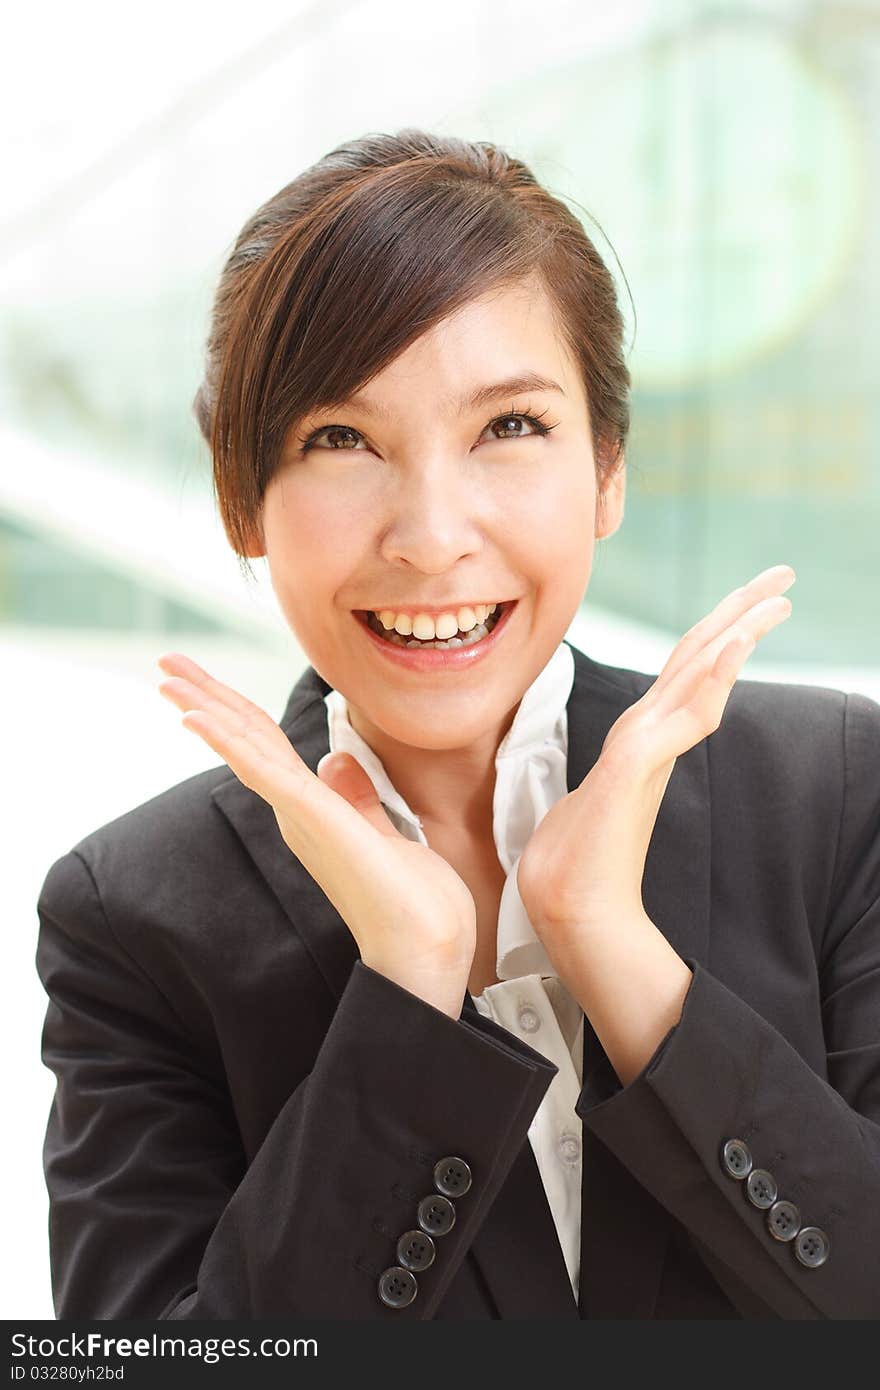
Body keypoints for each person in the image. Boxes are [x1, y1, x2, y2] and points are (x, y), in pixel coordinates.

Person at [35, 128, 880, 1321]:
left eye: (508, 427)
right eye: (340, 439)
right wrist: (409, 989)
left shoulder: (833, 796)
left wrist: (609, 943)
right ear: (242, 501)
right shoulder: (135, 914)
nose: (430, 537)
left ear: (606, 470)